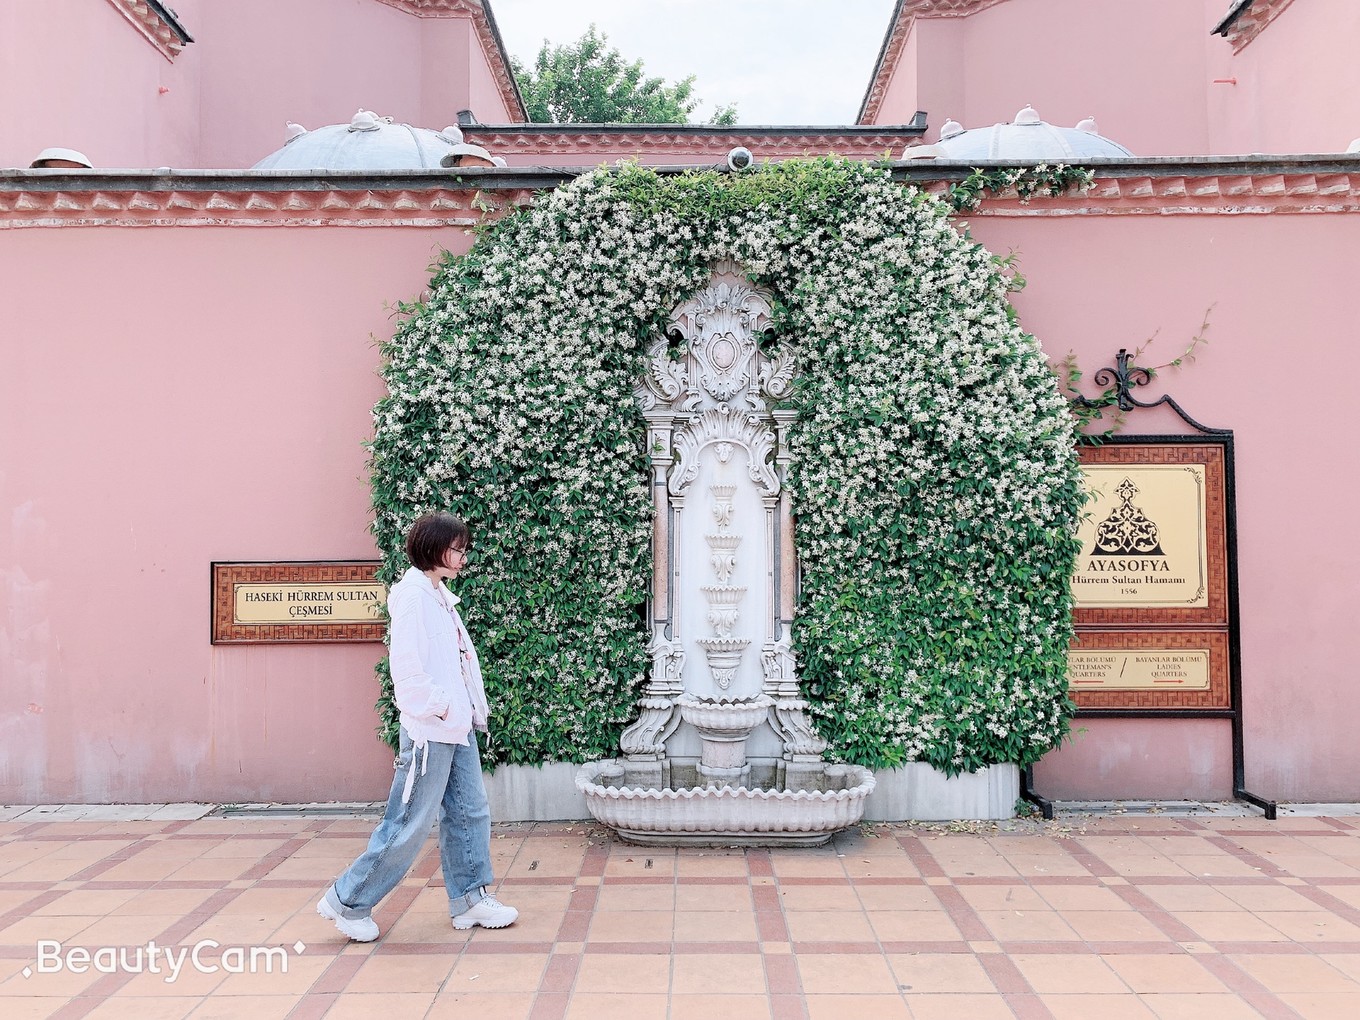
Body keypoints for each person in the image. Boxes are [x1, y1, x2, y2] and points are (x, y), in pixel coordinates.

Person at [318, 512, 518, 941]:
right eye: (457, 548)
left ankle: (470, 899)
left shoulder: (437, 594)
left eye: (464, 548)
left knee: (471, 812)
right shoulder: (412, 596)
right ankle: (348, 902)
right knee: (408, 822)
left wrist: (461, 712)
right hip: (432, 730)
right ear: (433, 547)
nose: (463, 556)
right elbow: (407, 671)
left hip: (456, 726)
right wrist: (442, 708)